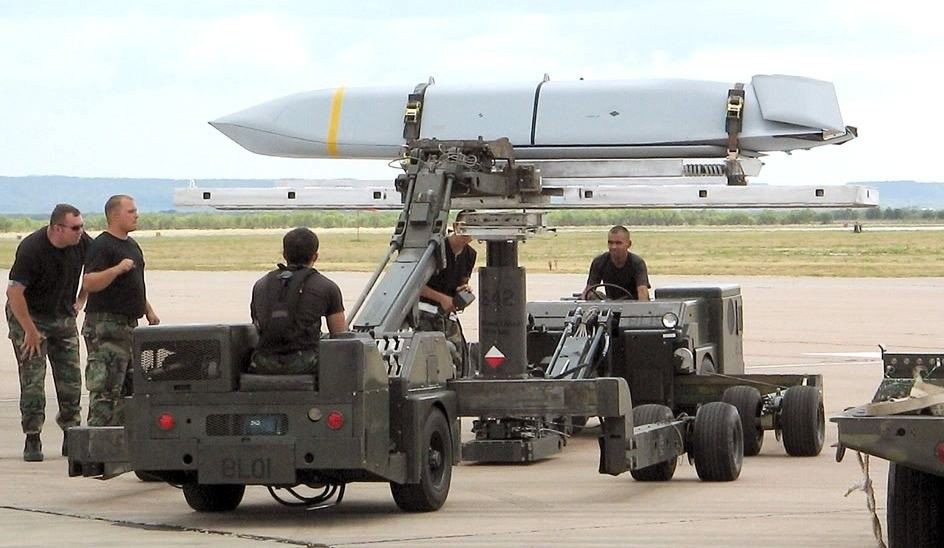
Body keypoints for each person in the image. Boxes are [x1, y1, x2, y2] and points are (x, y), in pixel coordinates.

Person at [6, 204, 90, 461]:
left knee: (71, 378)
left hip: (62, 315)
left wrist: (81, 299)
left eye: (82, 226)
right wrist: (29, 331)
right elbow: (14, 293)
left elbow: (94, 270)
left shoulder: (82, 243)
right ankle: (32, 437)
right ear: (57, 228)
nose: (80, 232)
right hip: (29, 316)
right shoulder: (33, 248)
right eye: (75, 228)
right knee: (33, 378)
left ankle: (71, 432)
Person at [82, 195, 159, 427]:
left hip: (129, 326)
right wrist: (116, 269)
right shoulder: (102, 246)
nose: (136, 215)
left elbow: (134, 283)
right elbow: (89, 282)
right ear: (115, 215)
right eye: (131, 211)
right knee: (106, 390)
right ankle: (96, 449)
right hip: (106, 327)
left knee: (128, 389)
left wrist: (148, 310)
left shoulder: (131, 245)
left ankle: (120, 446)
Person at [250, 227, 345, 376]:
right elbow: (340, 337)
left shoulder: (261, 285)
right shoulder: (327, 287)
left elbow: (256, 325)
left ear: (284, 254)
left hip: (264, 362)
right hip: (305, 364)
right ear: (315, 256)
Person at [418, 222, 477, 368]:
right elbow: (415, 285)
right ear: (456, 226)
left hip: (447, 314)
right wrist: (441, 298)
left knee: (459, 357)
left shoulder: (470, 254)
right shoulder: (436, 248)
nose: (467, 233)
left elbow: (463, 282)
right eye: (465, 227)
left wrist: (464, 291)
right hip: (424, 311)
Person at [584, 225, 650, 300]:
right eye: (610, 243)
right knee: (594, 295)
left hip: (632, 304)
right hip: (610, 304)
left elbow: (642, 292)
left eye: (618, 243)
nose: (613, 247)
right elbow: (589, 290)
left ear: (629, 244)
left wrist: (641, 308)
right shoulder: (599, 262)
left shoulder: (637, 263)